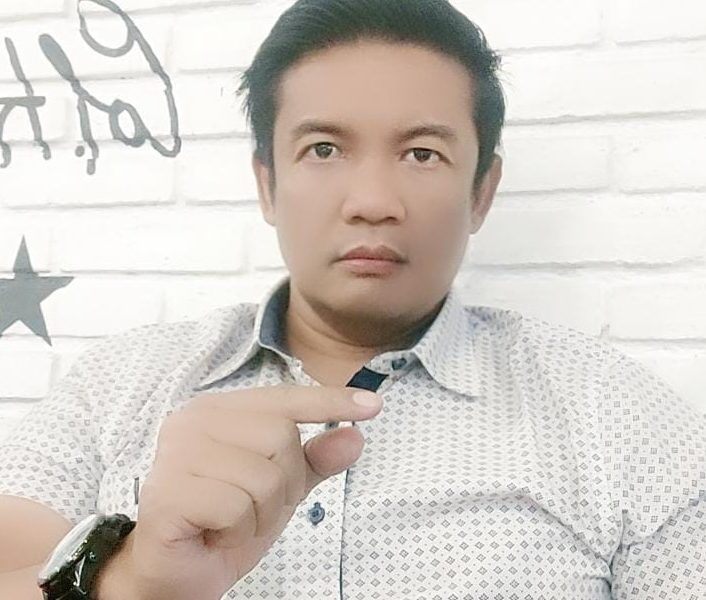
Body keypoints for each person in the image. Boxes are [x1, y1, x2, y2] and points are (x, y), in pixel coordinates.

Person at [1, 0, 705, 598]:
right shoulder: (114, 388)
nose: (372, 201)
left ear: (481, 192)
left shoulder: (620, 420)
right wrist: (132, 578)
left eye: (422, 154)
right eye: (324, 149)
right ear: (268, 185)